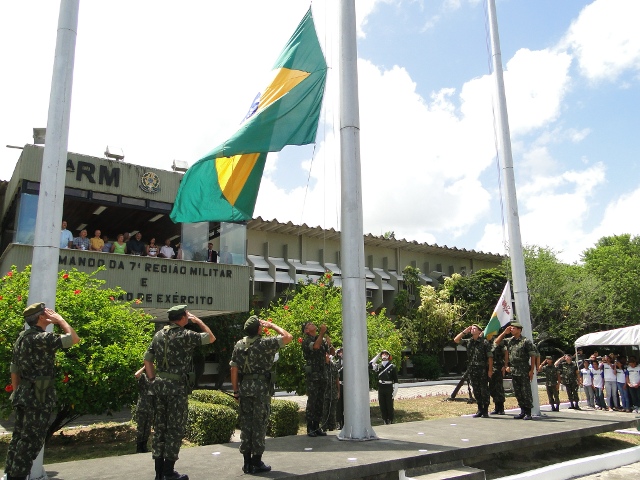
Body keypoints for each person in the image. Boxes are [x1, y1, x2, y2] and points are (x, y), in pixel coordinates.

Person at [4, 303, 80, 480]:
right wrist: (61, 320)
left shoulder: (22, 337)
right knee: (31, 441)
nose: (50, 315)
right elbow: (73, 339)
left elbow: (14, 368)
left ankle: (11, 474)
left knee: (18, 438)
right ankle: (18, 476)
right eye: (46, 313)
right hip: (38, 397)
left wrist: (16, 393)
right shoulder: (41, 338)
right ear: (40, 317)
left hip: (24, 394)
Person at [144, 305, 215, 480]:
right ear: (183, 317)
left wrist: (153, 380)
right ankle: (169, 472)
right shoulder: (185, 335)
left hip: (160, 386)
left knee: (160, 428)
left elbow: (147, 360)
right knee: (174, 429)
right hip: (176, 388)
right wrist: (197, 321)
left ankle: (159, 473)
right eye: (187, 315)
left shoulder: (158, 334)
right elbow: (211, 338)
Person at [230, 315, 292, 474]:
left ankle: (246, 463)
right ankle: (256, 462)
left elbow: (234, 369)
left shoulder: (239, 345)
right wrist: (271, 326)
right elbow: (288, 337)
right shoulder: (265, 343)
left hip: (245, 388)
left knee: (246, 424)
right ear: (259, 329)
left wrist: (236, 391)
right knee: (259, 424)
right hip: (261, 389)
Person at [494, 322, 536, 420]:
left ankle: (528, 413)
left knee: (526, 391)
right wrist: (504, 332)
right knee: (518, 391)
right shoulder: (510, 341)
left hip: (524, 369)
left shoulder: (526, 341)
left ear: (519, 330)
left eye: (513, 328)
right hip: (514, 369)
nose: (511, 330)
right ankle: (522, 411)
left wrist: (532, 370)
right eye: (511, 328)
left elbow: (533, 355)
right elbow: (496, 342)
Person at [454, 325, 492, 418]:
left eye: (475, 328)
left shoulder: (484, 342)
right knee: (476, 389)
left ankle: (485, 410)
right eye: (472, 328)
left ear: (479, 331)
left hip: (482, 369)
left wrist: (490, 370)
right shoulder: (469, 342)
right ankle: (480, 409)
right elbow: (456, 340)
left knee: (484, 390)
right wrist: (465, 331)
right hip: (472, 369)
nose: (472, 329)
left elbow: (490, 357)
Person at [301, 321, 329, 436]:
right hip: (313, 376)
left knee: (320, 401)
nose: (313, 325)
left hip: (322, 374)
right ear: (307, 330)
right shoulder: (307, 340)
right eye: (310, 325)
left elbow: (329, 352)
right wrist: (322, 333)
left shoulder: (320, 339)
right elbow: (316, 347)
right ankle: (310, 427)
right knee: (312, 401)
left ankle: (317, 426)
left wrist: (329, 344)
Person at [369, 350, 399, 424]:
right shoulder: (378, 366)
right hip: (381, 387)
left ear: (389, 356)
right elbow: (370, 365)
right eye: (383, 354)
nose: (384, 355)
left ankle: (390, 420)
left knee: (389, 405)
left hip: (388, 387)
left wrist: (395, 391)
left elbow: (396, 381)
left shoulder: (392, 367)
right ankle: (385, 420)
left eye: (386, 354)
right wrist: (378, 356)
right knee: (382, 405)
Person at [134, 365, 155, 453]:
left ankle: (144, 446)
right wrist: (144, 367)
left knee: (147, 429)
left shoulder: (154, 379)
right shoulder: (143, 377)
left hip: (150, 408)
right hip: (142, 407)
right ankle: (139, 447)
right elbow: (136, 375)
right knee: (141, 428)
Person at [322, 352, 340, 431]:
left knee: (333, 411)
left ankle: (332, 427)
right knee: (325, 411)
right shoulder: (321, 366)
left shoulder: (333, 366)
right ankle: (324, 427)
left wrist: (338, 391)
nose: (327, 356)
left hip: (333, 392)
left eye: (328, 354)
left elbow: (337, 379)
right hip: (324, 392)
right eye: (326, 354)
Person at [489, 340, 507, 415]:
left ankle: (501, 408)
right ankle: (496, 407)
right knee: (492, 387)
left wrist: (505, 365)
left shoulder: (498, 341)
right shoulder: (485, 341)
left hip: (498, 366)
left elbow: (506, 352)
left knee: (499, 387)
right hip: (489, 367)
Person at [333, 347, 345, 429]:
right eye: (340, 352)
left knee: (347, 405)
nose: (342, 353)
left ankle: (346, 422)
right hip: (339, 385)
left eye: (343, 352)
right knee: (339, 405)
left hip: (348, 386)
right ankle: (339, 422)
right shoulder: (336, 364)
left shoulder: (349, 363)